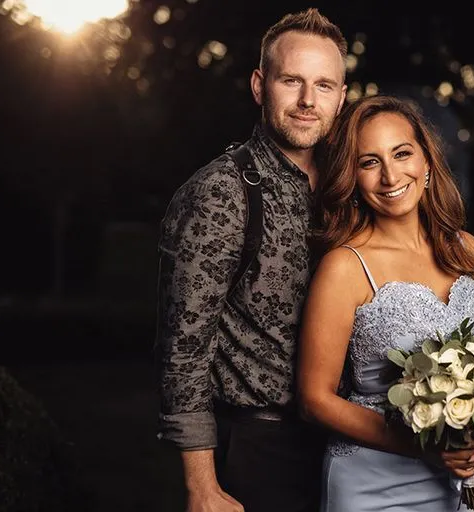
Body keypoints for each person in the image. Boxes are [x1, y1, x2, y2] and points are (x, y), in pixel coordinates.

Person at [155, 8, 347, 512]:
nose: (309, 100)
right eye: (292, 81)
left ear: (342, 97)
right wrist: (201, 486)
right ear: (260, 86)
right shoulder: (221, 192)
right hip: (259, 448)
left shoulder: (347, 190)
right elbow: (183, 349)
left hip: (345, 446)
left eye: (324, 85)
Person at [297, 95, 474, 511]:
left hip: (470, 479)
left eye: (402, 153)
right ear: (353, 177)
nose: (390, 175)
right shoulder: (344, 267)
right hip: (376, 486)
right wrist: (424, 447)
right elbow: (314, 399)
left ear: (427, 161)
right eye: (369, 162)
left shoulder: (468, 250)